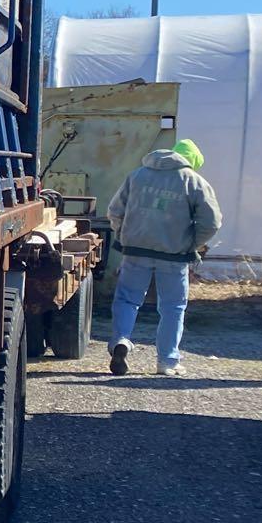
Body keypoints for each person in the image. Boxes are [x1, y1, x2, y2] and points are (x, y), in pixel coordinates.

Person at [105, 138, 222, 377]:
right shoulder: (194, 181)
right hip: (174, 255)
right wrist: (192, 244)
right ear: (193, 162)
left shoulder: (137, 175)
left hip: (135, 250)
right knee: (172, 307)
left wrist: (125, 235)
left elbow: (114, 211)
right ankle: (167, 361)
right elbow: (212, 223)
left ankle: (121, 341)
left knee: (128, 300)